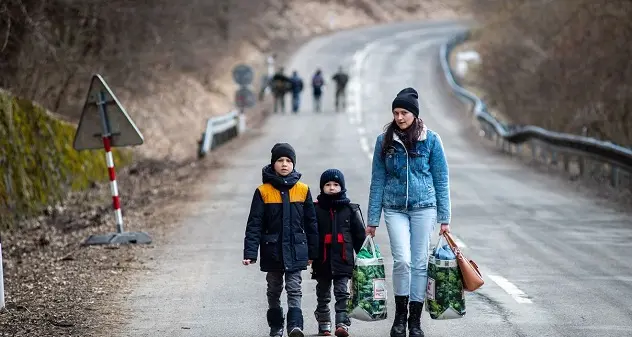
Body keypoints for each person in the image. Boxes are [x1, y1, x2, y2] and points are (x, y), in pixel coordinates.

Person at [365, 87, 451, 337]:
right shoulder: (384, 141)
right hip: (394, 208)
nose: (399, 117)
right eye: (396, 112)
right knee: (402, 260)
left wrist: (445, 218)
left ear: (414, 114)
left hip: (425, 207)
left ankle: (415, 320)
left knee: (420, 263)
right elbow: (377, 180)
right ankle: (399, 317)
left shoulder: (431, 140)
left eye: (404, 112)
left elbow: (441, 178)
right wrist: (372, 219)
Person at [243, 142, 319, 337]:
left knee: (294, 289)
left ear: (294, 164)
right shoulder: (263, 192)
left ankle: (295, 327)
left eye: (288, 160)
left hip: (296, 250)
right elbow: (254, 224)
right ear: (273, 164)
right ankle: (276, 326)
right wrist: (250, 253)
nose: (284, 164)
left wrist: (313, 253)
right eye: (280, 160)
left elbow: (312, 225)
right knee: (274, 289)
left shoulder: (303, 190)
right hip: (272, 251)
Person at [310, 169, 366, 337]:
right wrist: (310, 255)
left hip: (343, 260)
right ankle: (324, 323)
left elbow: (359, 236)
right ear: (322, 188)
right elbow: (311, 234)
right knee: (323, 293)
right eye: (328, 185)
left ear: (342, 187)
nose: (332, 188)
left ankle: (342, 323)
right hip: (322, 261)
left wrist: (364, 257)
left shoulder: (350, 209)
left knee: (342, 293)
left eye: (336, 185)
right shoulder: (315, 209)